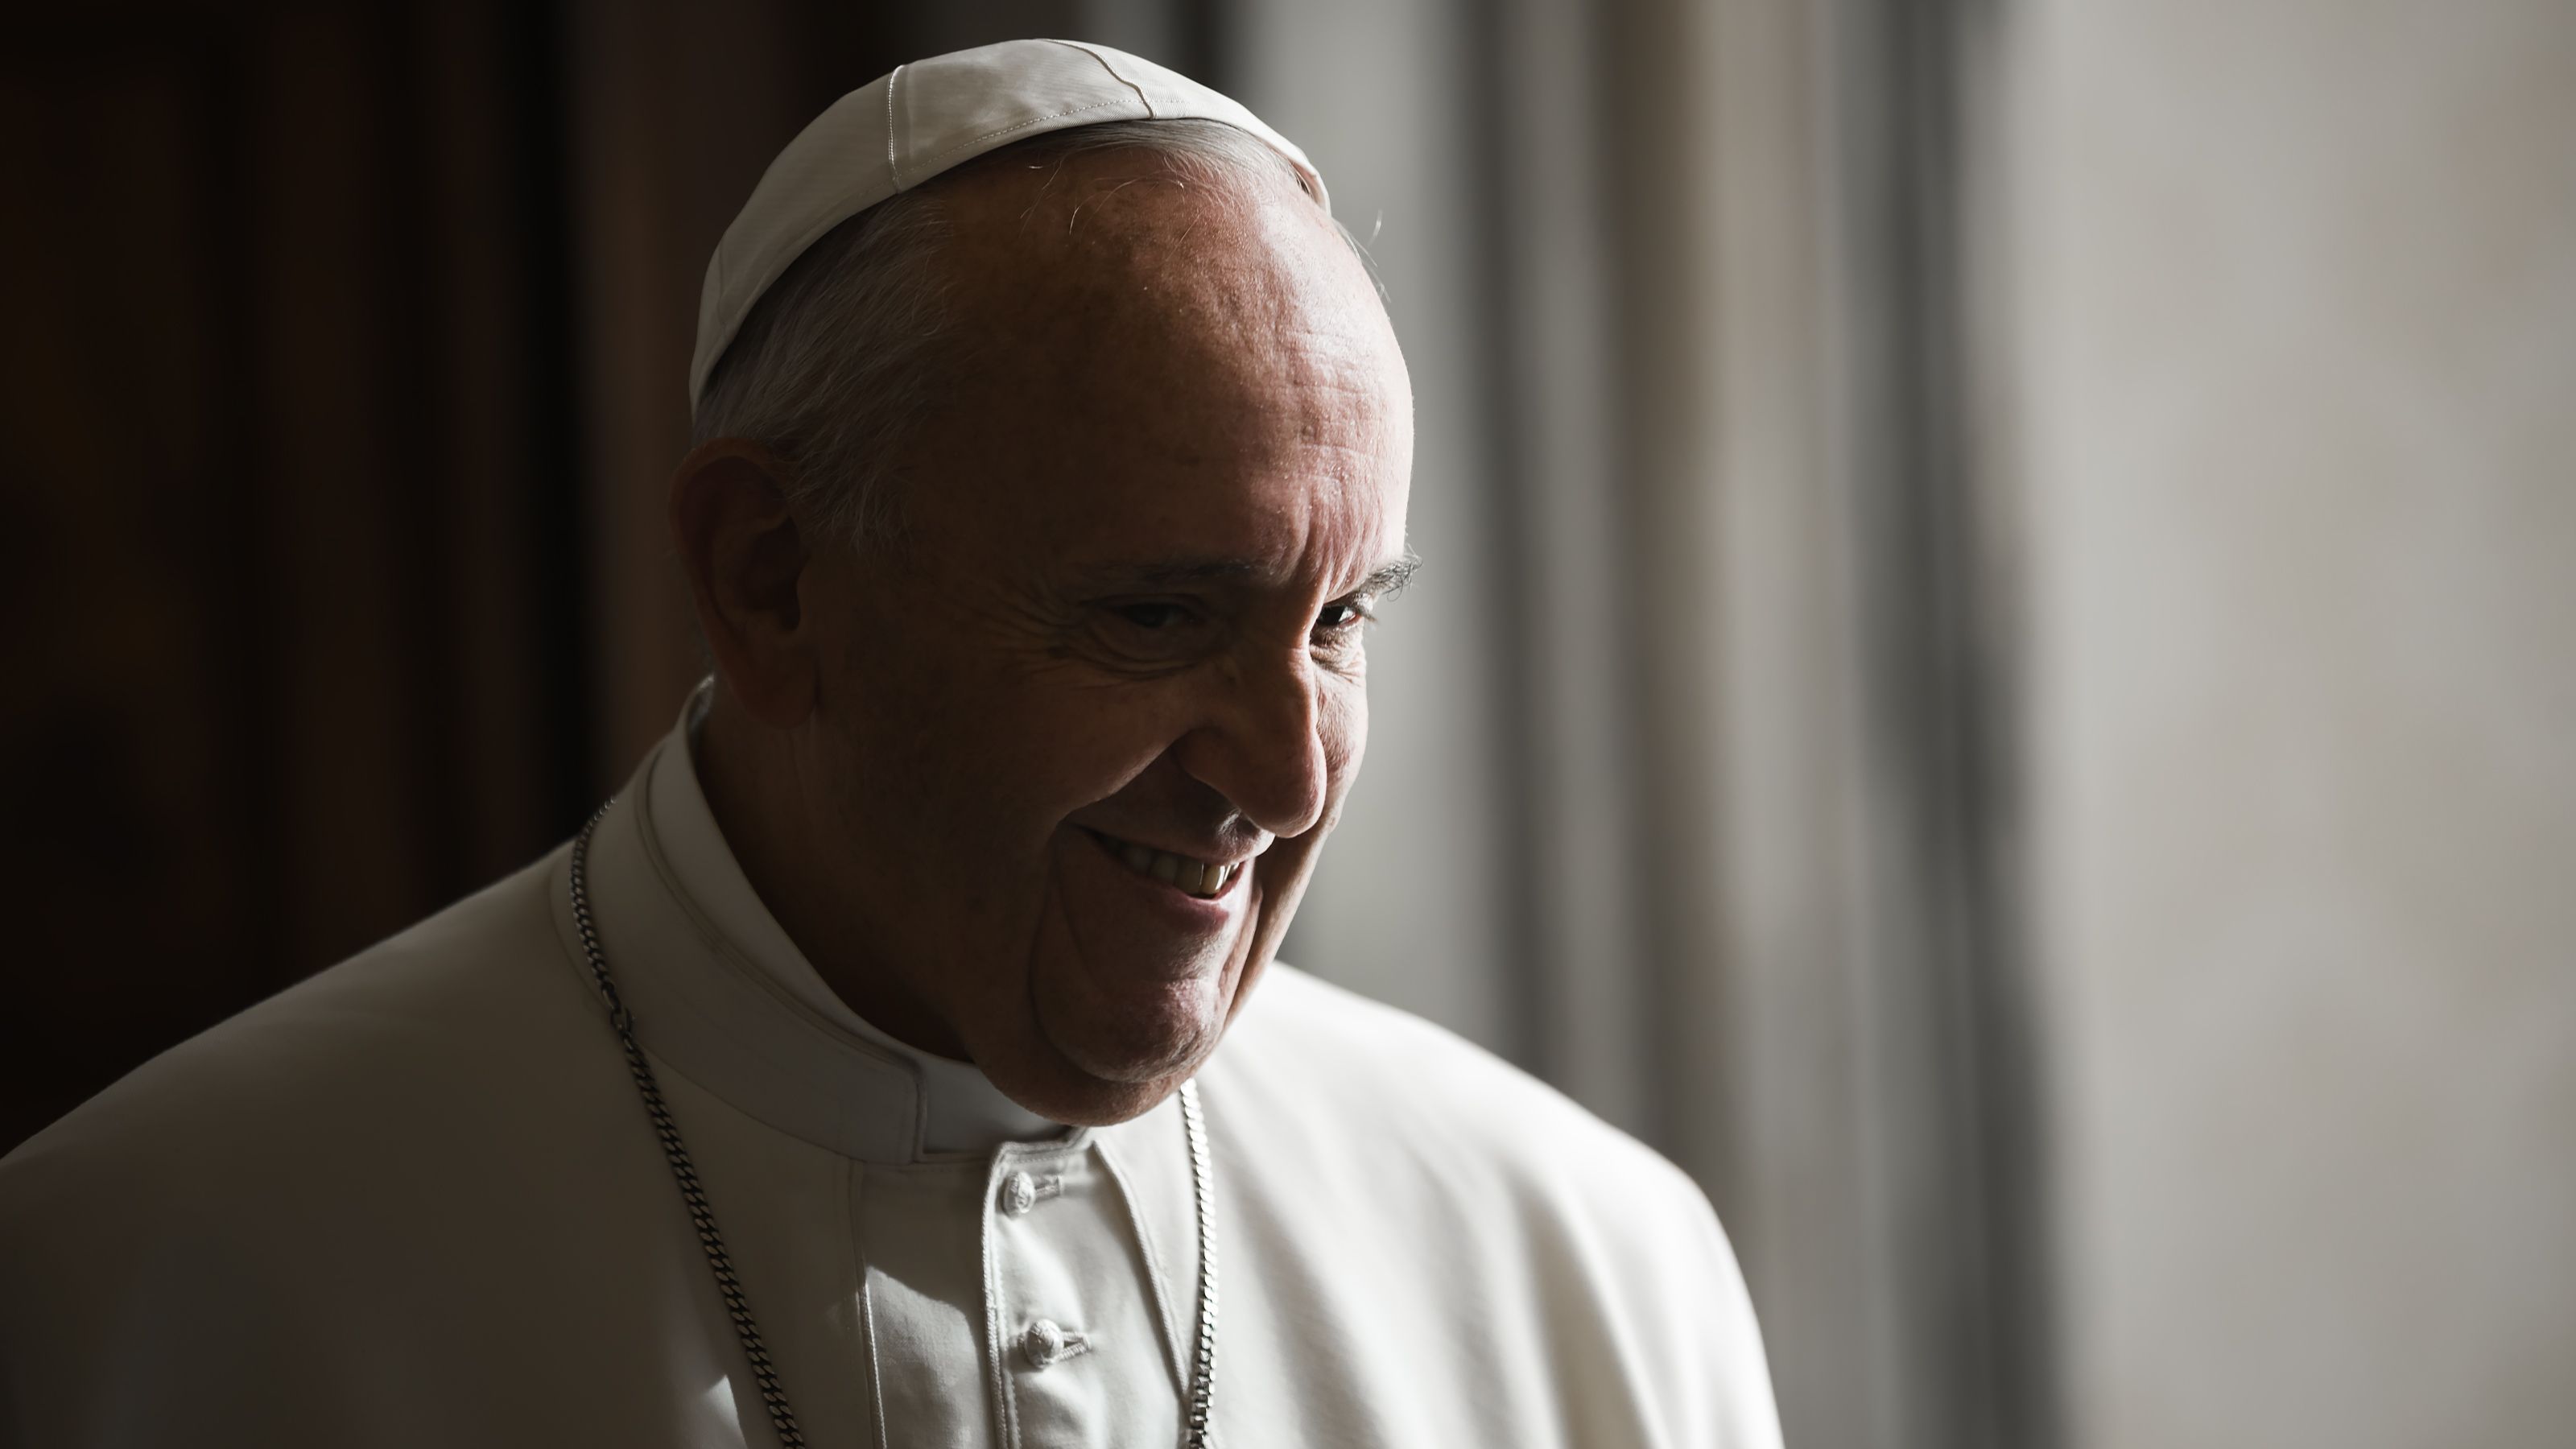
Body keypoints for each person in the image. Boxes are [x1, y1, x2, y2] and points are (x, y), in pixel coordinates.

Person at [0, 39, 1781, 1448]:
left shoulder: (1582, 1264)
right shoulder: (154, 1284)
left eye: (1338, 624)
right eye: (1158, 617)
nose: (1294, 774)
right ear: (771, 582)